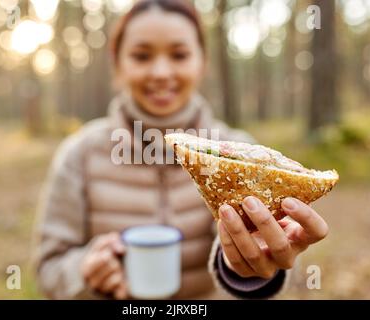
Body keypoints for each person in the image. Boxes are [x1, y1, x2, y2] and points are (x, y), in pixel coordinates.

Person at [33, 0, 329, 299]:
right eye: (141, 55)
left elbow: (264, 258)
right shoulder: (80, 154)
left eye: (179, 54)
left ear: (202, 62)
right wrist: (83, 270)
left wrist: (248, 269)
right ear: (118, 63)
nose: (161, 72)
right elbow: (49, 269)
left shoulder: (245, 158)